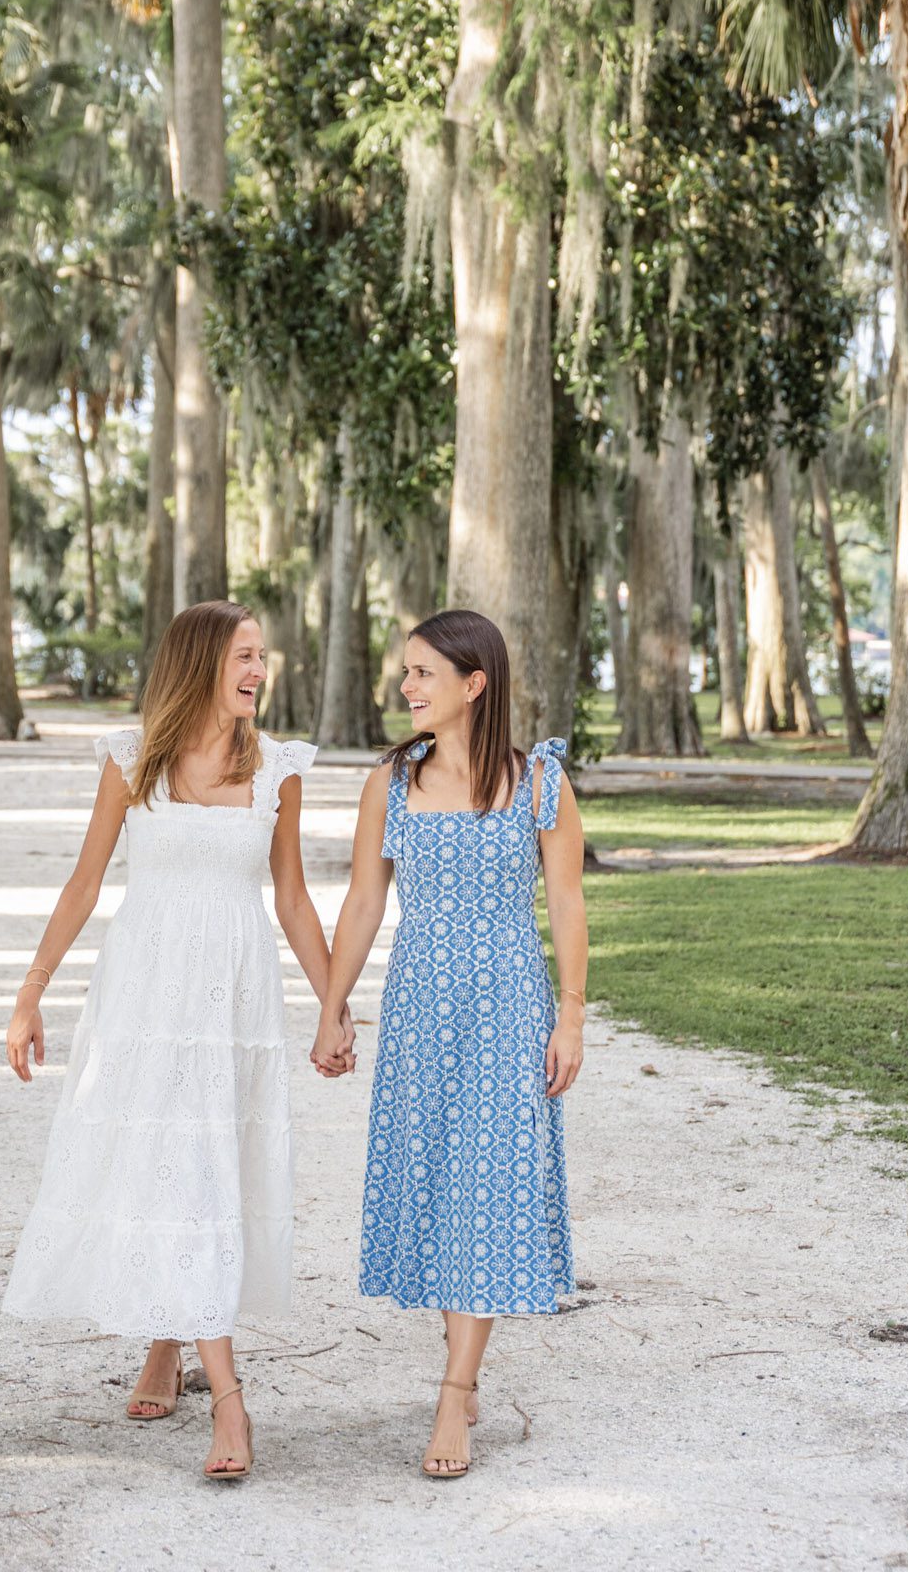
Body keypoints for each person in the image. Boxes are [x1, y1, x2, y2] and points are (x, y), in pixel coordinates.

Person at [2, 598, 348, 1483]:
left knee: (202, 1169)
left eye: (263, 656)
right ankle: (226, 1397)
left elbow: (295, 899)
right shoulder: (134, 760)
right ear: (201, 661)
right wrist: (31, 994)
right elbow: (85, 884)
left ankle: (172, 1343)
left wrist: (333, 1002)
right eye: (244, 654)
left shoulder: (277, 768)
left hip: (231, 1004)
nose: (259, 670)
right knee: (176, 1165)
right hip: (145, 998)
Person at [312, 607, 589, 1481]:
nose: (407, 686)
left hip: (510, 1006)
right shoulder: (391, 782)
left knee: (488, 1186)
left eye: (424, 673)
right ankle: (461, 1372)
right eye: (407, 672)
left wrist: (571, 1014)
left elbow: (570, 905)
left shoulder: (540, 782)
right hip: (421, 1007)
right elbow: (362, 904)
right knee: (436, 1184)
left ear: (475, 683)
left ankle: (452, 1390)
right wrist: (332, 1004)